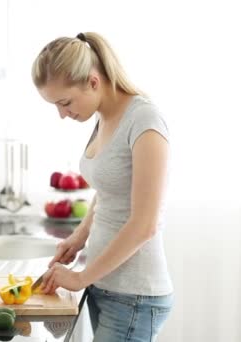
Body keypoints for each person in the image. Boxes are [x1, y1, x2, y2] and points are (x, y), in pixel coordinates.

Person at [33, 32, 173, 341]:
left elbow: (145, 224)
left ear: (93, 82)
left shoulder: (145, 121)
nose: (62, 114)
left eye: (65, 102)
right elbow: (109, 190)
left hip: (134, 295)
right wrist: (78, 238)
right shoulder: (105, 117)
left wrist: (81, 277)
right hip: (107, 285)